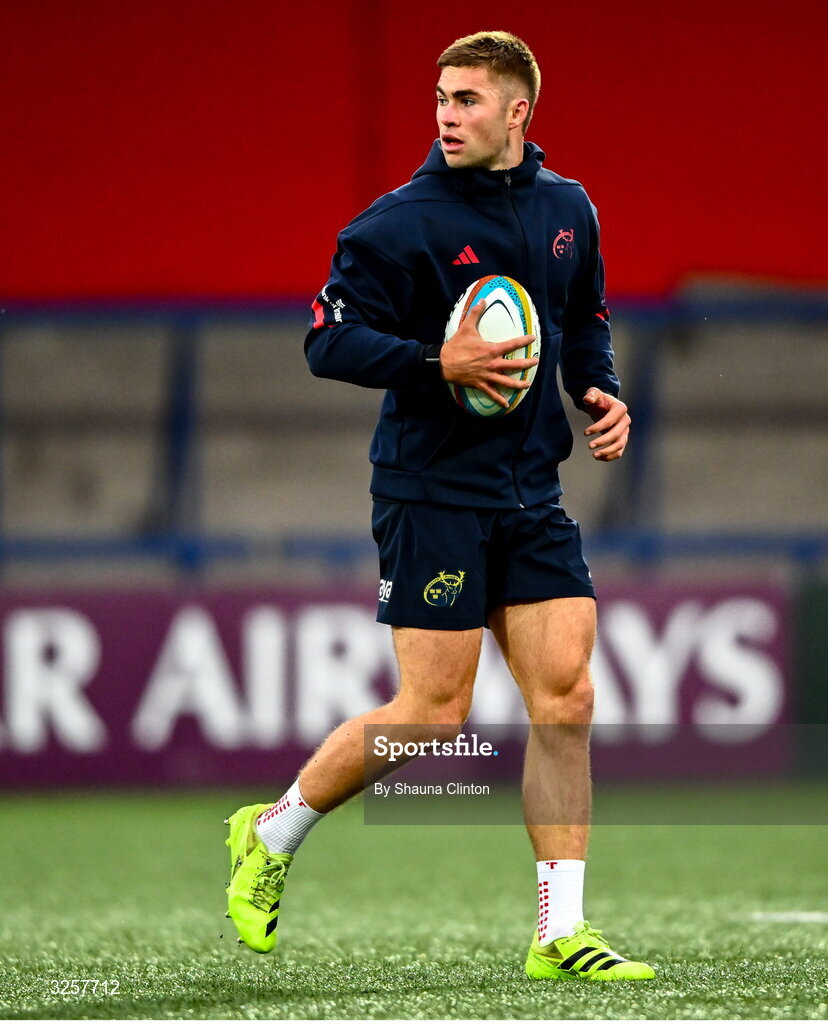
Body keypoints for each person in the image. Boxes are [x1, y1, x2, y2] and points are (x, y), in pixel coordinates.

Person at [225, 30, 654, 982]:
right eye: (441, 97)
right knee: (433, 713)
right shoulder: (398, 224)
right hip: (431, 492)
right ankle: (270, 831)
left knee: (568, 697)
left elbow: (580, 316)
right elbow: (326, 343)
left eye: (466, 100)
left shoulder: (567, 209)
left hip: (529, 491)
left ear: (517, 112)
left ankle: (560, 935)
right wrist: (435, 360)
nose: (447, 115)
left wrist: (600, 391)